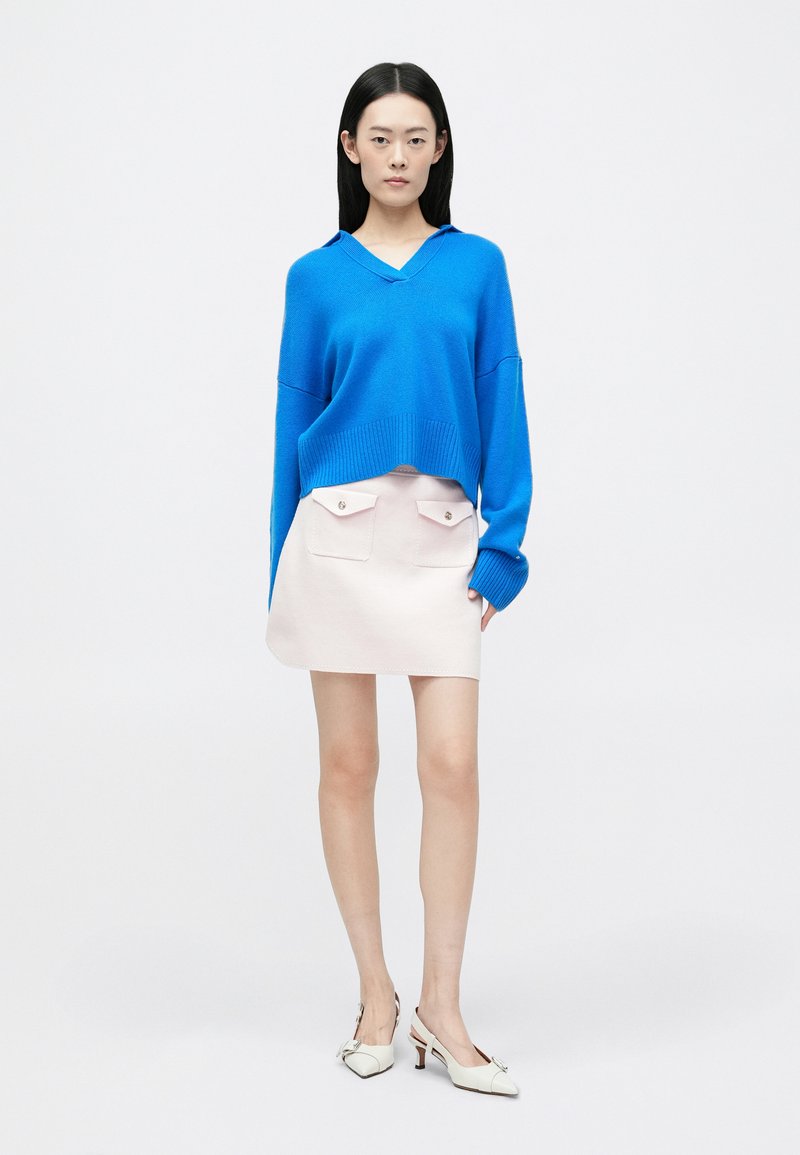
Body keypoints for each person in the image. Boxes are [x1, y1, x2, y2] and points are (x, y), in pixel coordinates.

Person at [265, 61, 532, 1096]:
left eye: (416, 138)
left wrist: (502, 550)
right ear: (349, 148)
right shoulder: (314, 277)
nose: (397, 156)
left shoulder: (476, 266)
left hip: (441, 539)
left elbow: (502, 400)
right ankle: (375, 997)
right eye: (379, 137)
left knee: (451, 766)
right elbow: (290, 429)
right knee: (347, 766)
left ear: (439, 149)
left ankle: (442, 1008)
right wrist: (277, 572)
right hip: (332, 542)